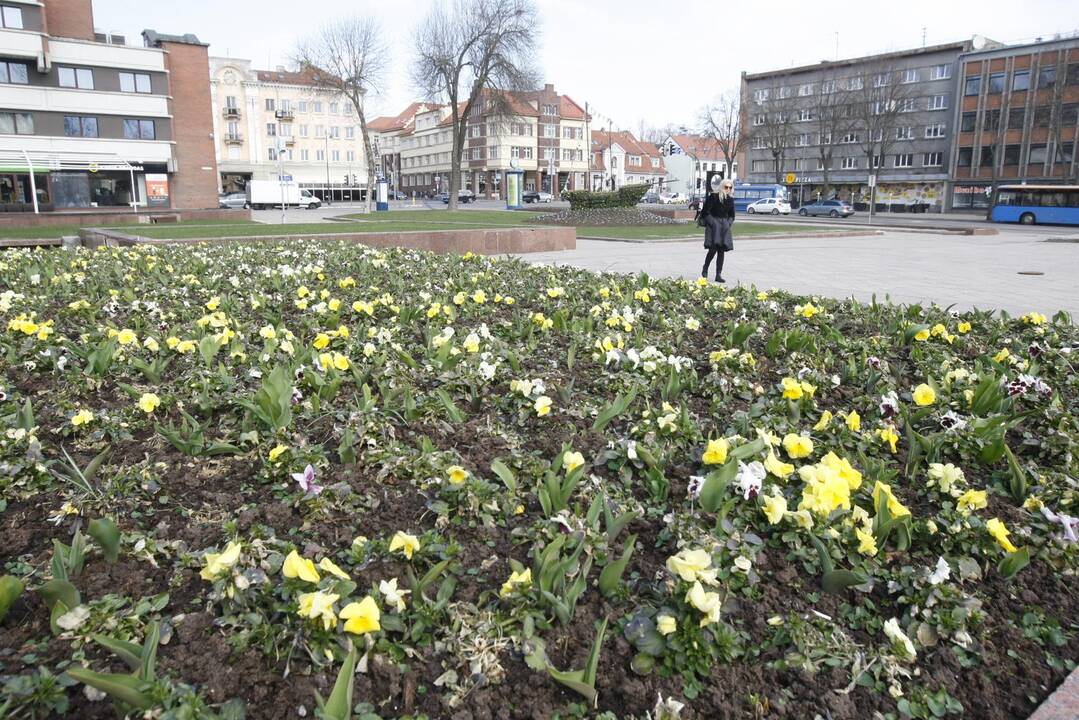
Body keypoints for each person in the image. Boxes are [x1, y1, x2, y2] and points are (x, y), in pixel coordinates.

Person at [697, 178, 735, 283]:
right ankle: (705, 268)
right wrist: (713, 222)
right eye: (726, 187)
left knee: (721, 251)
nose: (728, 189)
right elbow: (705, 212)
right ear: (722, 186)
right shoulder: (713, 197)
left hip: (724, 227)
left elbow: (732, 215)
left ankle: (718, 274)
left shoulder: (730, 199)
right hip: (714, 226)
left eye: (730, 187)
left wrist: (728, 223)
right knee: (712, 249)